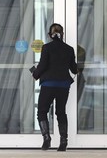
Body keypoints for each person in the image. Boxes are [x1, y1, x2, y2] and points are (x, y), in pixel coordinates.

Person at [32, 23, 78, 151]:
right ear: (62, 34)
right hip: (63, 85)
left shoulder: (46, 48)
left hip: (48, 84)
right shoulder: (69, 49)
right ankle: (63, 141)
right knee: (60, 112)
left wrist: (35, 74)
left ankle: (46, 138)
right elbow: (74, 70)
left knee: (42, 111)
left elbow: (43, 65)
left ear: (49, 35)